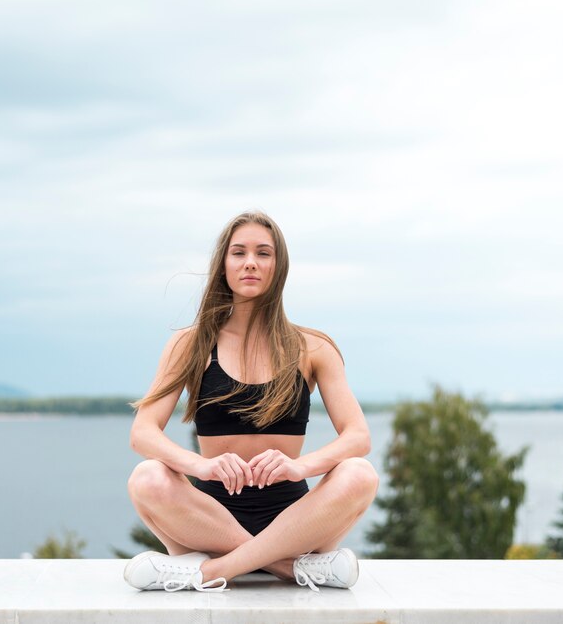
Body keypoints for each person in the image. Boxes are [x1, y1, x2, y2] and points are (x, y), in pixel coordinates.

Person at [124, 211, 379, 592]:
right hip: (209, 519)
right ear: (223, 264)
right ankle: (290, 568)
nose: (250, 263)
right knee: (146, 478)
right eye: (238, 252)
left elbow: (358, 437)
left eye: (263, 253)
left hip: (295, 520)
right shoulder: (189, 344)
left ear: (279, 266)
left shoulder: (313, 347)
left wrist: (300, 467)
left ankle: (208, 572)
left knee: (361, 474)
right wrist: (201, 467)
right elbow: (143, 433)